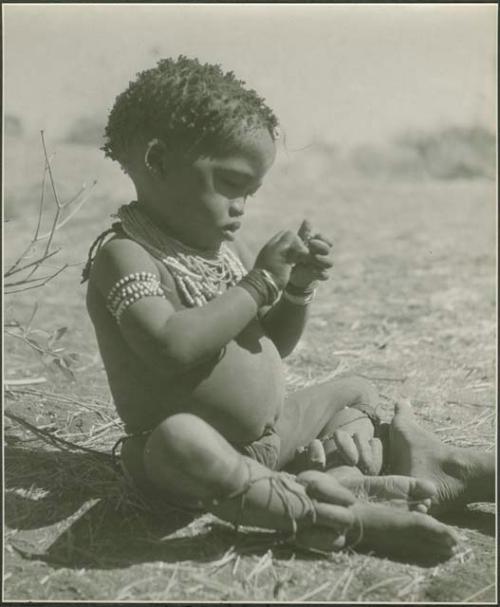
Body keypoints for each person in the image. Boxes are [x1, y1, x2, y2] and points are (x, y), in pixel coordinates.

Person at [82, 56, 493, 561]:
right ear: (159, 161)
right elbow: (170, 346)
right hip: (196, 461)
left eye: (250, 194)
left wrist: (296, 289)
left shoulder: (216, 254)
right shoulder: (123, 255)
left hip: (273, 438)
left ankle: (415, 470)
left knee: (356, 390)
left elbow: (270, 345)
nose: (241, 208)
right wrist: (258, 283)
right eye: (231, 185)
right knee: (176, 440)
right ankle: (324, 513)